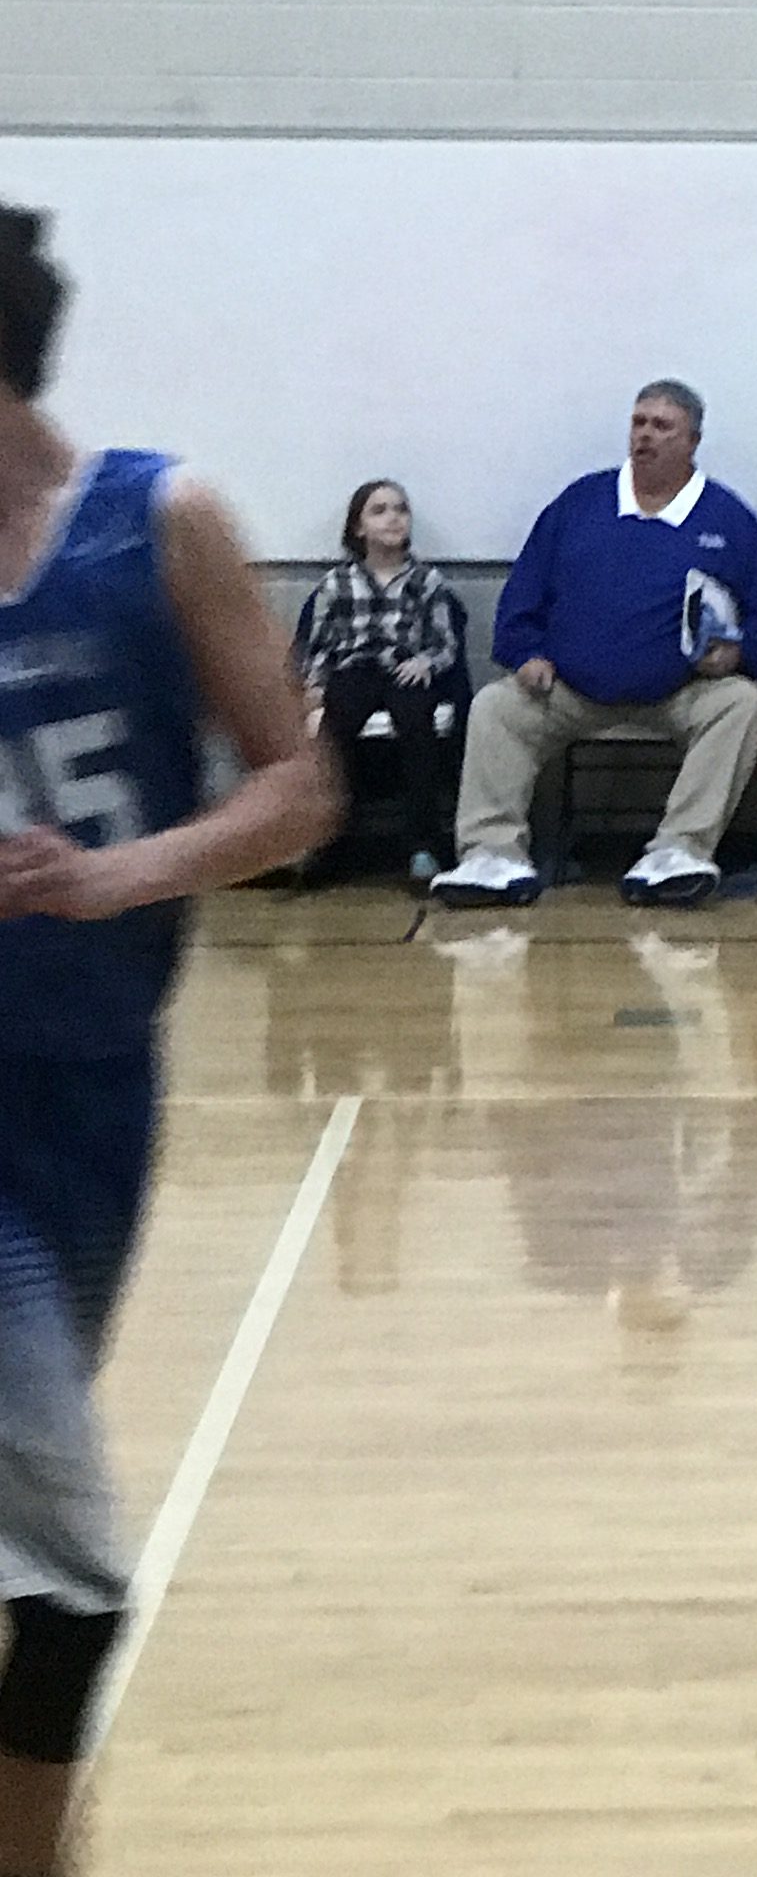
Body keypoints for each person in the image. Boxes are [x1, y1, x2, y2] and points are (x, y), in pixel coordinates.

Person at [0, 205, 335, 1877]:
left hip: (86, 1093)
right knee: (64, 1558)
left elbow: (301, 786)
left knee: (36, 1564)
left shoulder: (159, 520)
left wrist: (113, 876)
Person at [431, 382, 757, 911]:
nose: (645, 435)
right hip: (568, 690)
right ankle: (491, 855)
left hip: (680, 692)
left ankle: (679, 851)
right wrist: (526, 653)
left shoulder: (727, 517)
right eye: (639, 422)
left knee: (740, 702)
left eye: (661, 426)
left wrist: (739, 654)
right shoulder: (581, 503)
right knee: (495, 707)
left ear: (692, 441)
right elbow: (521, 598)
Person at [297, 477, 471, 889]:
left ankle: (422, 844)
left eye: (400, 509)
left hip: (405, 670)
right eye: (379, 511)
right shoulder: (336, 583)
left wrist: (427, 662)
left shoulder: (426, 581)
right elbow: (318, 643)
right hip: (354, 670)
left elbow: (446, 642)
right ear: (358, 528)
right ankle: (327, 841)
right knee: (334, 736)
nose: (393, 518)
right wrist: (313, 684)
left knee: (417, 731)